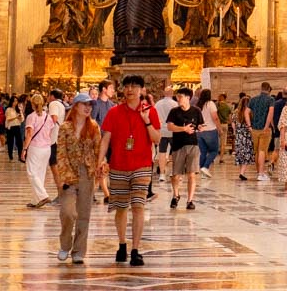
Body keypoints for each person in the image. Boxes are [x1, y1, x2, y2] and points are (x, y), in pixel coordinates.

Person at [98, 75, 160, 267]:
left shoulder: (150, 111)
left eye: (134, 86)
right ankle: (122, 244)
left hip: (141, 165)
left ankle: (135, 249)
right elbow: (106, 138)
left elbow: (157, 138)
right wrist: (100, 160)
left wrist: (147, 121)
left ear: (142, 89)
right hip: (118, 165)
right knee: (121, 207)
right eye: (126, 86)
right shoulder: (114, 112)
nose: (130, 89)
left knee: (138, 206)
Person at [57, 92, 102, 264]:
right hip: (69, 174)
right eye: (84, 104)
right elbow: (61, 153)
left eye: (90, 105)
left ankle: (79, 251)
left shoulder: (94, 127)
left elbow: (98, 149)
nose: (88, 108)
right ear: (75, 106)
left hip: (87, 174)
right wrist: (64, 176)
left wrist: (100, 166)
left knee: (84, 214)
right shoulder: (65, 127)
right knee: (67, 212)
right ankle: (65, 245)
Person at [167, 87, 201, 210]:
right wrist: (183, 129)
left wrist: (200, 127)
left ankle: (190, 200)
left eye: (180, 96)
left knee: (192, 174)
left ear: (188, 98)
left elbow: (199, 124)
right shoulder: (174, 111)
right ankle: (176, 195)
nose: (178, 99)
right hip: (178, 145)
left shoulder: (196, 111)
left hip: (193, 144)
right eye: (177, 96)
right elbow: (170, 127)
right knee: (176, 174)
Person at [23, 91, 57, 206]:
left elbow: (29, 134)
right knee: (40, 174)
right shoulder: (48, 117)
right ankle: (36, 200)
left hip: (35, 147)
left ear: (32, 104)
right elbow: (50, 132)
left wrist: (24, 149)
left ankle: (43, 195)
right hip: (46, 148)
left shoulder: (31, 117)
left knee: (32, 172)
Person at [247, 81, 274, 182]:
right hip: (264, 129)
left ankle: (258, 172)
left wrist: (249, 125)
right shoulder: (270, 99)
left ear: (261, 88)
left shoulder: (253, 99)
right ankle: (261, 173)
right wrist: (267, 126)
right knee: (262, 151)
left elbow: (246, 112)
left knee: (257, 151)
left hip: (254, 128)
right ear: (268, 89)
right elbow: (270, 113)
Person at [197, 87, 220, 177]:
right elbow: (215, 117)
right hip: (210, 130)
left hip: (199, 131)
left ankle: (202, 171)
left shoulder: (198, 105)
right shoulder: (210, 104)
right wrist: (219, 128)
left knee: (203, 152)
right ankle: (205, 167)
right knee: (214, 151)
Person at [233, 95, 255, 180]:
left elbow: (233, 123)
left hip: (239, 135)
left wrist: (235, 131)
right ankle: (242, 173)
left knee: (240, 154)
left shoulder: (236, 111)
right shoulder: (249, 111)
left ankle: (241, 172)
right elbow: (249, 122)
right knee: (247, 153)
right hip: (246, 135)